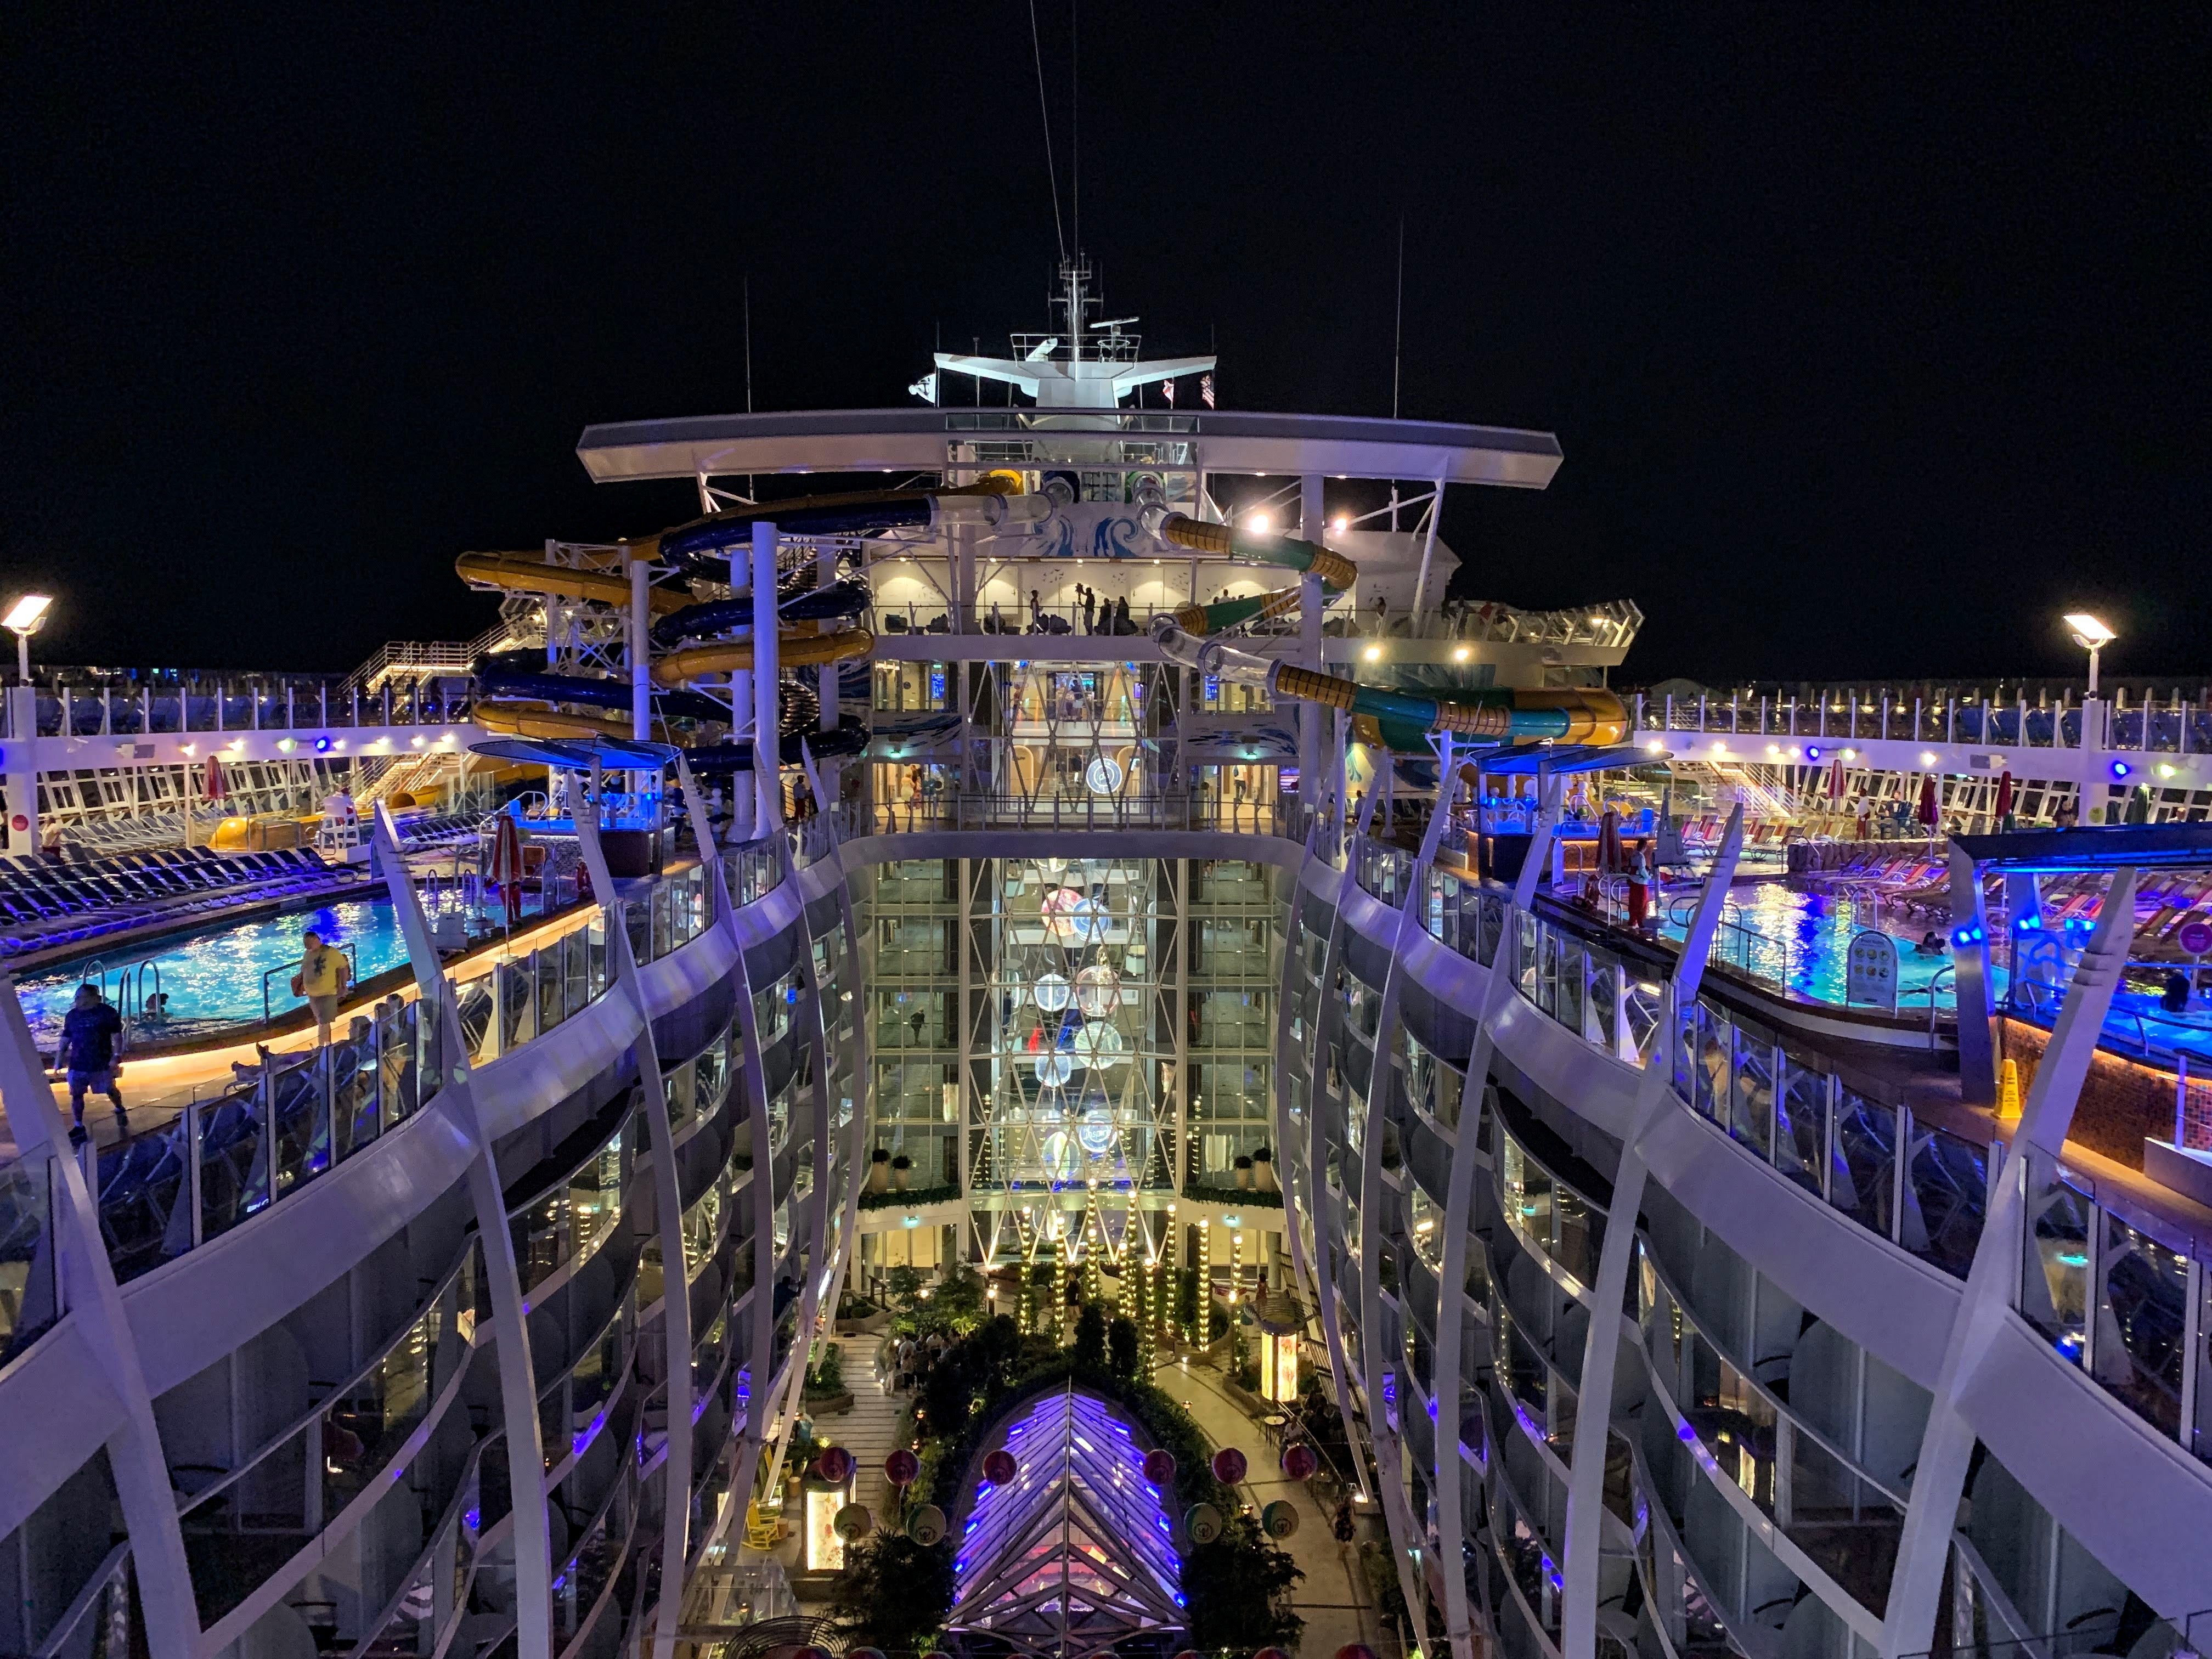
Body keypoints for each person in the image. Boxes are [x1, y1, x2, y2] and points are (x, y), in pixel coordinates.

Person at [60, 985, 127, 1142]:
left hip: (101, 1062)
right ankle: (78, 1126)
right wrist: (59, 1060)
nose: (77, 1001)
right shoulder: (72, 1016)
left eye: (80, 998)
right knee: (76, 1094)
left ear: (92, 997)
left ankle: (119, 1107)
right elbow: (66, 1038)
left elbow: (117, 1036)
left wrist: (116, 1056)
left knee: (110, 1089)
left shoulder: (107, 1013)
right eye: (76, 998)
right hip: (78, 1063)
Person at [292, 928, 353, 1047]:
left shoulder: (330, 952)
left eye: (309, 943)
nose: (307, 946)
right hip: (313, 995)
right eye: (305, 944)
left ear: (317, 940)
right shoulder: (308, 954)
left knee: (324, 1022)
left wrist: (343, 986)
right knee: (321, 1022)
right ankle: (325, 1047)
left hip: (327, 993)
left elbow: (343, 967)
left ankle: (324, 1047)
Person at [1626, 846, 1651, 930]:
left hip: (1633, 882)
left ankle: (1632, 921)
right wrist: (1648, 877)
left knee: (1633, 903)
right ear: (1644, 846)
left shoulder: (1633, 855)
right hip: (1641, 883)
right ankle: (1642, 924)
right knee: (1642, 904)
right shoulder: (1641, 856)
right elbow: (1642, 869)